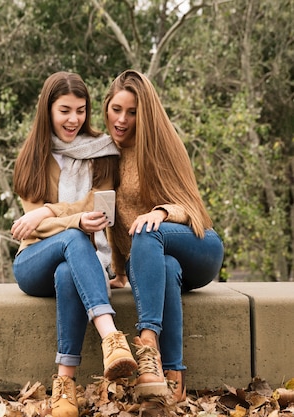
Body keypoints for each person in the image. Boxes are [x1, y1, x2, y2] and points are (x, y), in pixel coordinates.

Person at [11, 71, 137, 417]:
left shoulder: (103, 152)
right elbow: (33, 230)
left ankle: (64, 385)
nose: (73, 119)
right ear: (48, 110)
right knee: (71, 236)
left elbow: (102, 206)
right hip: (33, 262)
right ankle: (111, 337)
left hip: (86, 264)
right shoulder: (32, 157)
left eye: (80, 110)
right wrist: (72, 220)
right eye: (65, 110)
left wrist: (55, 215)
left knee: (69, 269)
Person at [101, 69, 225, 403]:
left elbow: (196, 212)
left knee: (147, 232)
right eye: (116, 109)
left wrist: (160, 212)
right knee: (165, 267)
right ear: (106, 108)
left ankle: (147, 342)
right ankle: (172, 376)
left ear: (145, 114)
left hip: (198, 247)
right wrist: (119, 270)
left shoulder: (163, 146)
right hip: (154, 258)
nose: (122, 119)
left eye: (132, 112)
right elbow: (110, 219)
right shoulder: (104, 155)